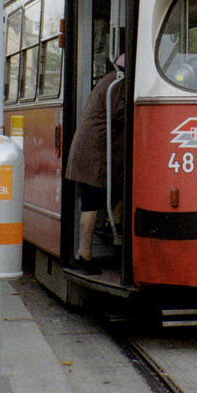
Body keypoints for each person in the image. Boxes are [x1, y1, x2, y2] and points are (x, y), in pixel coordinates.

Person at [64, 53, 126, 272]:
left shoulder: (108, 80)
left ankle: (111, 237)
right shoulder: (118, 83)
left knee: (104, 199)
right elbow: (120, 114)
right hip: (96, 154)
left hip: (91, 151)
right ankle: (85, 254)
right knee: (93, 203)